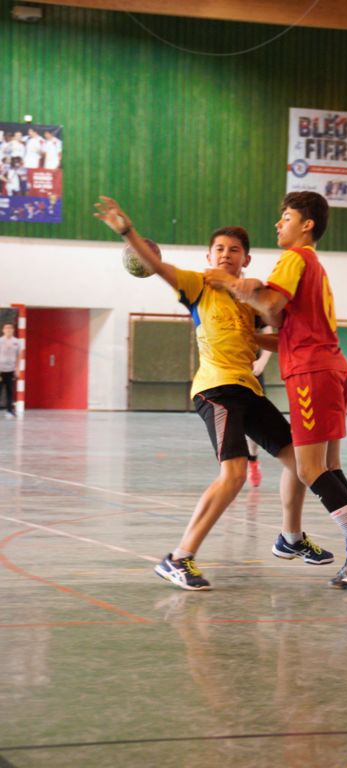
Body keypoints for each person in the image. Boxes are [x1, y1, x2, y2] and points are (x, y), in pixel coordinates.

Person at [94, 195, 333, 591]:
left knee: (301, 463)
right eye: (219, 249)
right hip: (216, 389)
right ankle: (178, 558)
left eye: (234, 250)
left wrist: (271, 319)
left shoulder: (248, 298)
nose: (226, 254)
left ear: (246, 259)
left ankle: (290, 537)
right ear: (209, 256)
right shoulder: (197, 284)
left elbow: (279, 331)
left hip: (248, 389)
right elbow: (158, 267)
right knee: (235, 473)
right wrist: (128, 231)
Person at [205, 191, 347, 588]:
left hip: (312, 373)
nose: (278, 223)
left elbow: (271, 303)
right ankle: (309, 539)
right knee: (325, 466)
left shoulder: (295, 258)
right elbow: (289, 332)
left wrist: (232, 283)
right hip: (331, 368)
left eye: (285, 217)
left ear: (307, 225)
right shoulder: (315, 267)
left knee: (308, 468)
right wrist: (248, 335)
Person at [246, 323, 273, 487]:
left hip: (252, 373)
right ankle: (230, 468)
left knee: (254, 422)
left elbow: (269, 336)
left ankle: (253, 460)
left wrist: (262, 361)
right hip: (226, 372)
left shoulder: (256, 313)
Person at [0, 322, 20, 419]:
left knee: (10, 391)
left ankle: (9, 411)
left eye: (10, 328)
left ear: (13, 330)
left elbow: (18, 356)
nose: (8, 330)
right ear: (3, 330)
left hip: (11, 370)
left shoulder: (17, 342)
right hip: (0, 370)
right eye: (6, 328)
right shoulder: (0, 341)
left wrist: (17, 368)